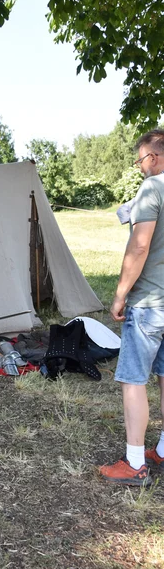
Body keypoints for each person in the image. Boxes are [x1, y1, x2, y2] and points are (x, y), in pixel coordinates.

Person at [99, 129, 164, 486]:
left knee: (133, 381)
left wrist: (120, 293)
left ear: (152, 158)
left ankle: (135, 463)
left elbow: (139, 248)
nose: (139, 167)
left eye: (140, 160)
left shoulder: (153, 188)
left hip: (151, 304)